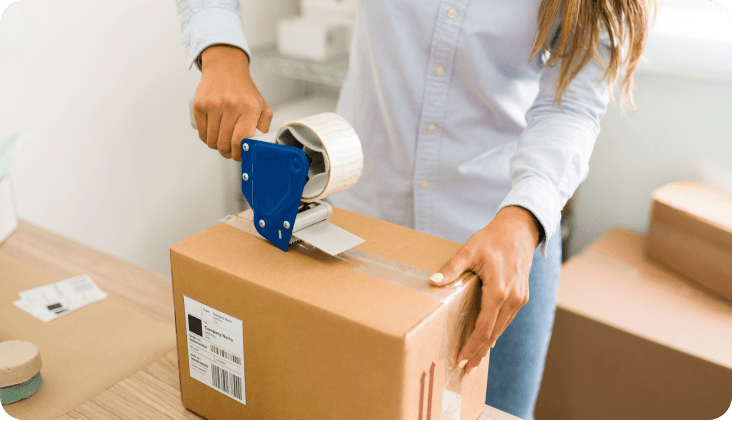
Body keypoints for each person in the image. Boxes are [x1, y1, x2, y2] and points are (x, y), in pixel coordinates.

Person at [175, 1, 652, 418]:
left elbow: (572, 104)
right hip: (362, 219)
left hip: (504, 236)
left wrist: (525, 216)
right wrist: (221, 50)